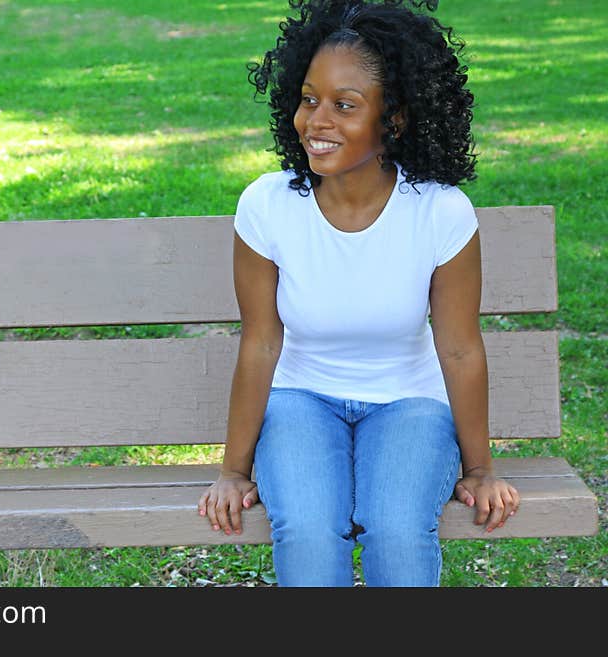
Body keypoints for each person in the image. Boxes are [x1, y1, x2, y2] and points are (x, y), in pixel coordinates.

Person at [197, 0, 521, 587]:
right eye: (308, 98)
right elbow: (262, 343)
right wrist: (232, 470)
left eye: (345, 106)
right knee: (309, 526)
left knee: (395, 526)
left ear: (392, 119)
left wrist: (479, 468)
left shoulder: (440, 211)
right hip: (302, 398)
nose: (316, 121)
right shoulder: (267, 205)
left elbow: (459, 349)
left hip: (409, 403)